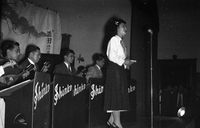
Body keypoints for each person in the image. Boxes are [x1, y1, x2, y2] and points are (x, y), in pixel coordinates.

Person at [103, 18, 135, 128]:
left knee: (119, 94)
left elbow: (121, 58)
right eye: (123, 26)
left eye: (126, 26)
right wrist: (123, 62)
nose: (126, 28)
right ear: (117, 28)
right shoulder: (113, 40)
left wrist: (127, 64)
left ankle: (111, 120)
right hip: (114, 69)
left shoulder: (121, 42)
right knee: (116, 94)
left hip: (119, 69)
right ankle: (117, 123)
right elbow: (111, 56)